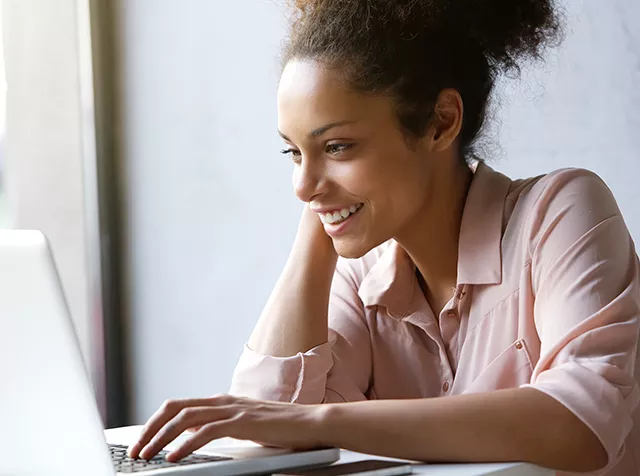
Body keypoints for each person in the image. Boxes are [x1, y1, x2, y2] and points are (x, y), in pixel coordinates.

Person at [127, 0, 640, 474]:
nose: (301, 185)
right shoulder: (359, 277)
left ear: (441, 123)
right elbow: (266, 436)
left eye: (339, 145)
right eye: (293, 152)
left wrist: (323, 422)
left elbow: (581, 422)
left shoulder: (560, 212)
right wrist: (322, 216)